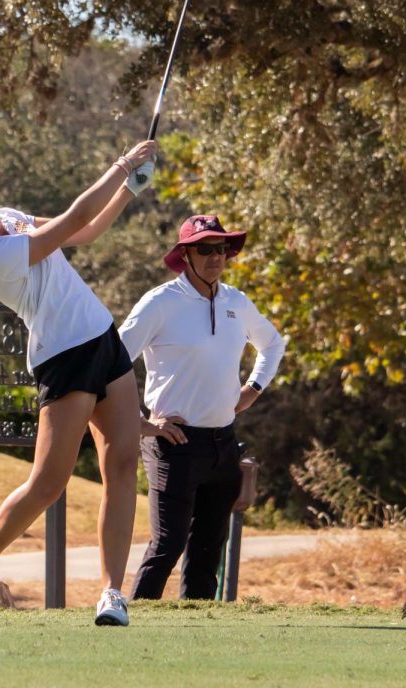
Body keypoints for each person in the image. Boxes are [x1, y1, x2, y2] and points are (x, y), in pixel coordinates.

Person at [0, 140, 170, 626]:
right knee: (47, 484)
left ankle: (112, 594)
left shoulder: (6, 214)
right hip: (64, 357)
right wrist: (122, 164)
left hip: (103, 339)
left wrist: (130, 189)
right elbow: (69, 220)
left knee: (123, 466)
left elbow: (83, 233)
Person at [118, 214, 286, 600]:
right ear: (185, 255)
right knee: (168, 545)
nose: (216, 257)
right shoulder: (160, 303)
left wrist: (254, 389)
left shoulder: (236, 302)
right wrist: (143, 424)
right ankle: (132, 622)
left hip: (223, 443)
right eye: (205, 249)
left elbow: (273, 344)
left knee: (208, 550)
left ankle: (197, 635)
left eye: (222, 248)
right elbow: (111, 363)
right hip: (172, 443)